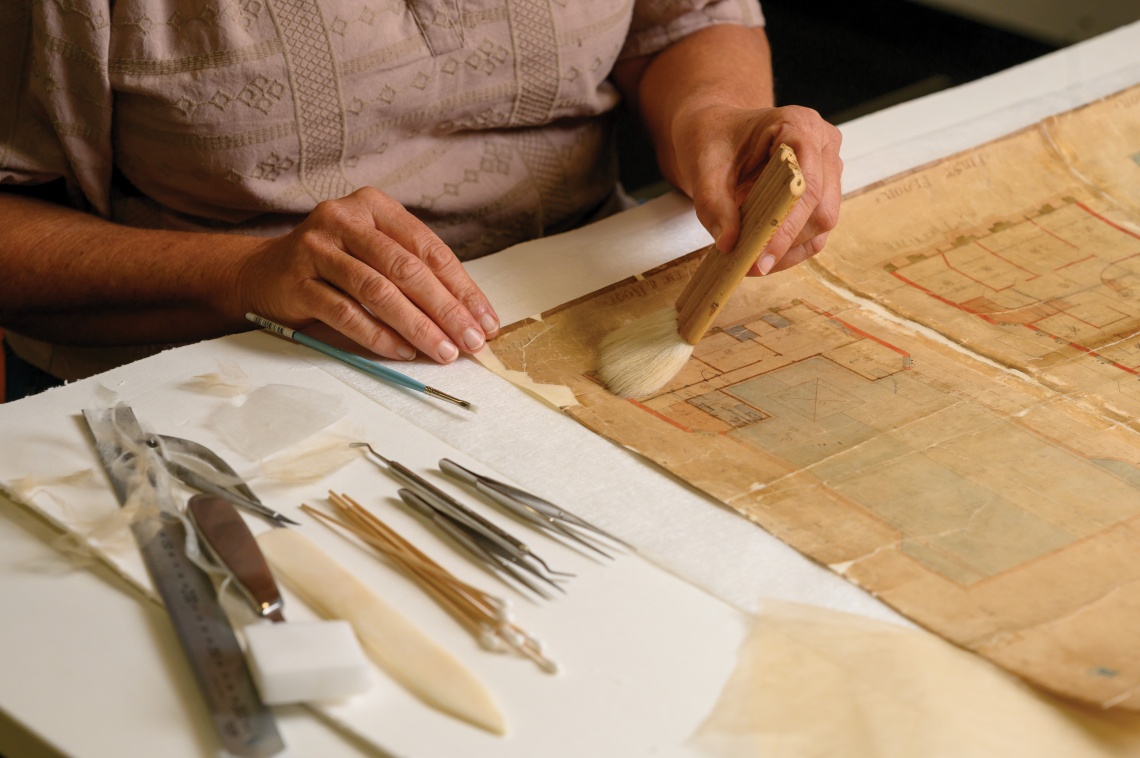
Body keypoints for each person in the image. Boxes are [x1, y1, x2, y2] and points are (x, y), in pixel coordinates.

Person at [0, 0, 841, 401]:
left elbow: (686, 20)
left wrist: (715, 116)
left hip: (582, 303)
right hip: (219, 376)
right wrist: (245, 273)